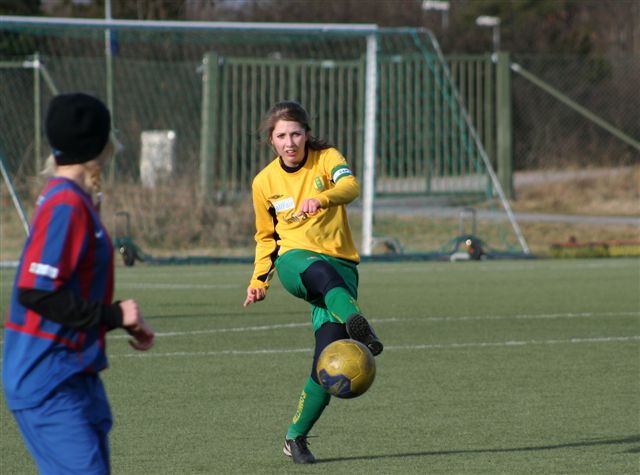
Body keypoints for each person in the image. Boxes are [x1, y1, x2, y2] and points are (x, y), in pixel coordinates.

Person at [2, 92, 155, 475]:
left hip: (73, 370)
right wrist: (113, 315)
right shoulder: (65, 204)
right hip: (48, 375)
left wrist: (116, 317)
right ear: (102, 145)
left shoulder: (74, 199)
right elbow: (35, 291)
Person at [243, 100, 383, 464]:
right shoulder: (263, 182)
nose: (289, 142)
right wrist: (259, 281)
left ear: (307, 134)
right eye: (281, 136)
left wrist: (322, 199)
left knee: (327, 361)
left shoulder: (327, 158)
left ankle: (295, 438)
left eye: (296, 134)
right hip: (295, 262)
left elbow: (350, 186)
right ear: (271, 140)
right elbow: (267, 238)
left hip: (341, 266)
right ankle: (359, 325)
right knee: (319, 271)